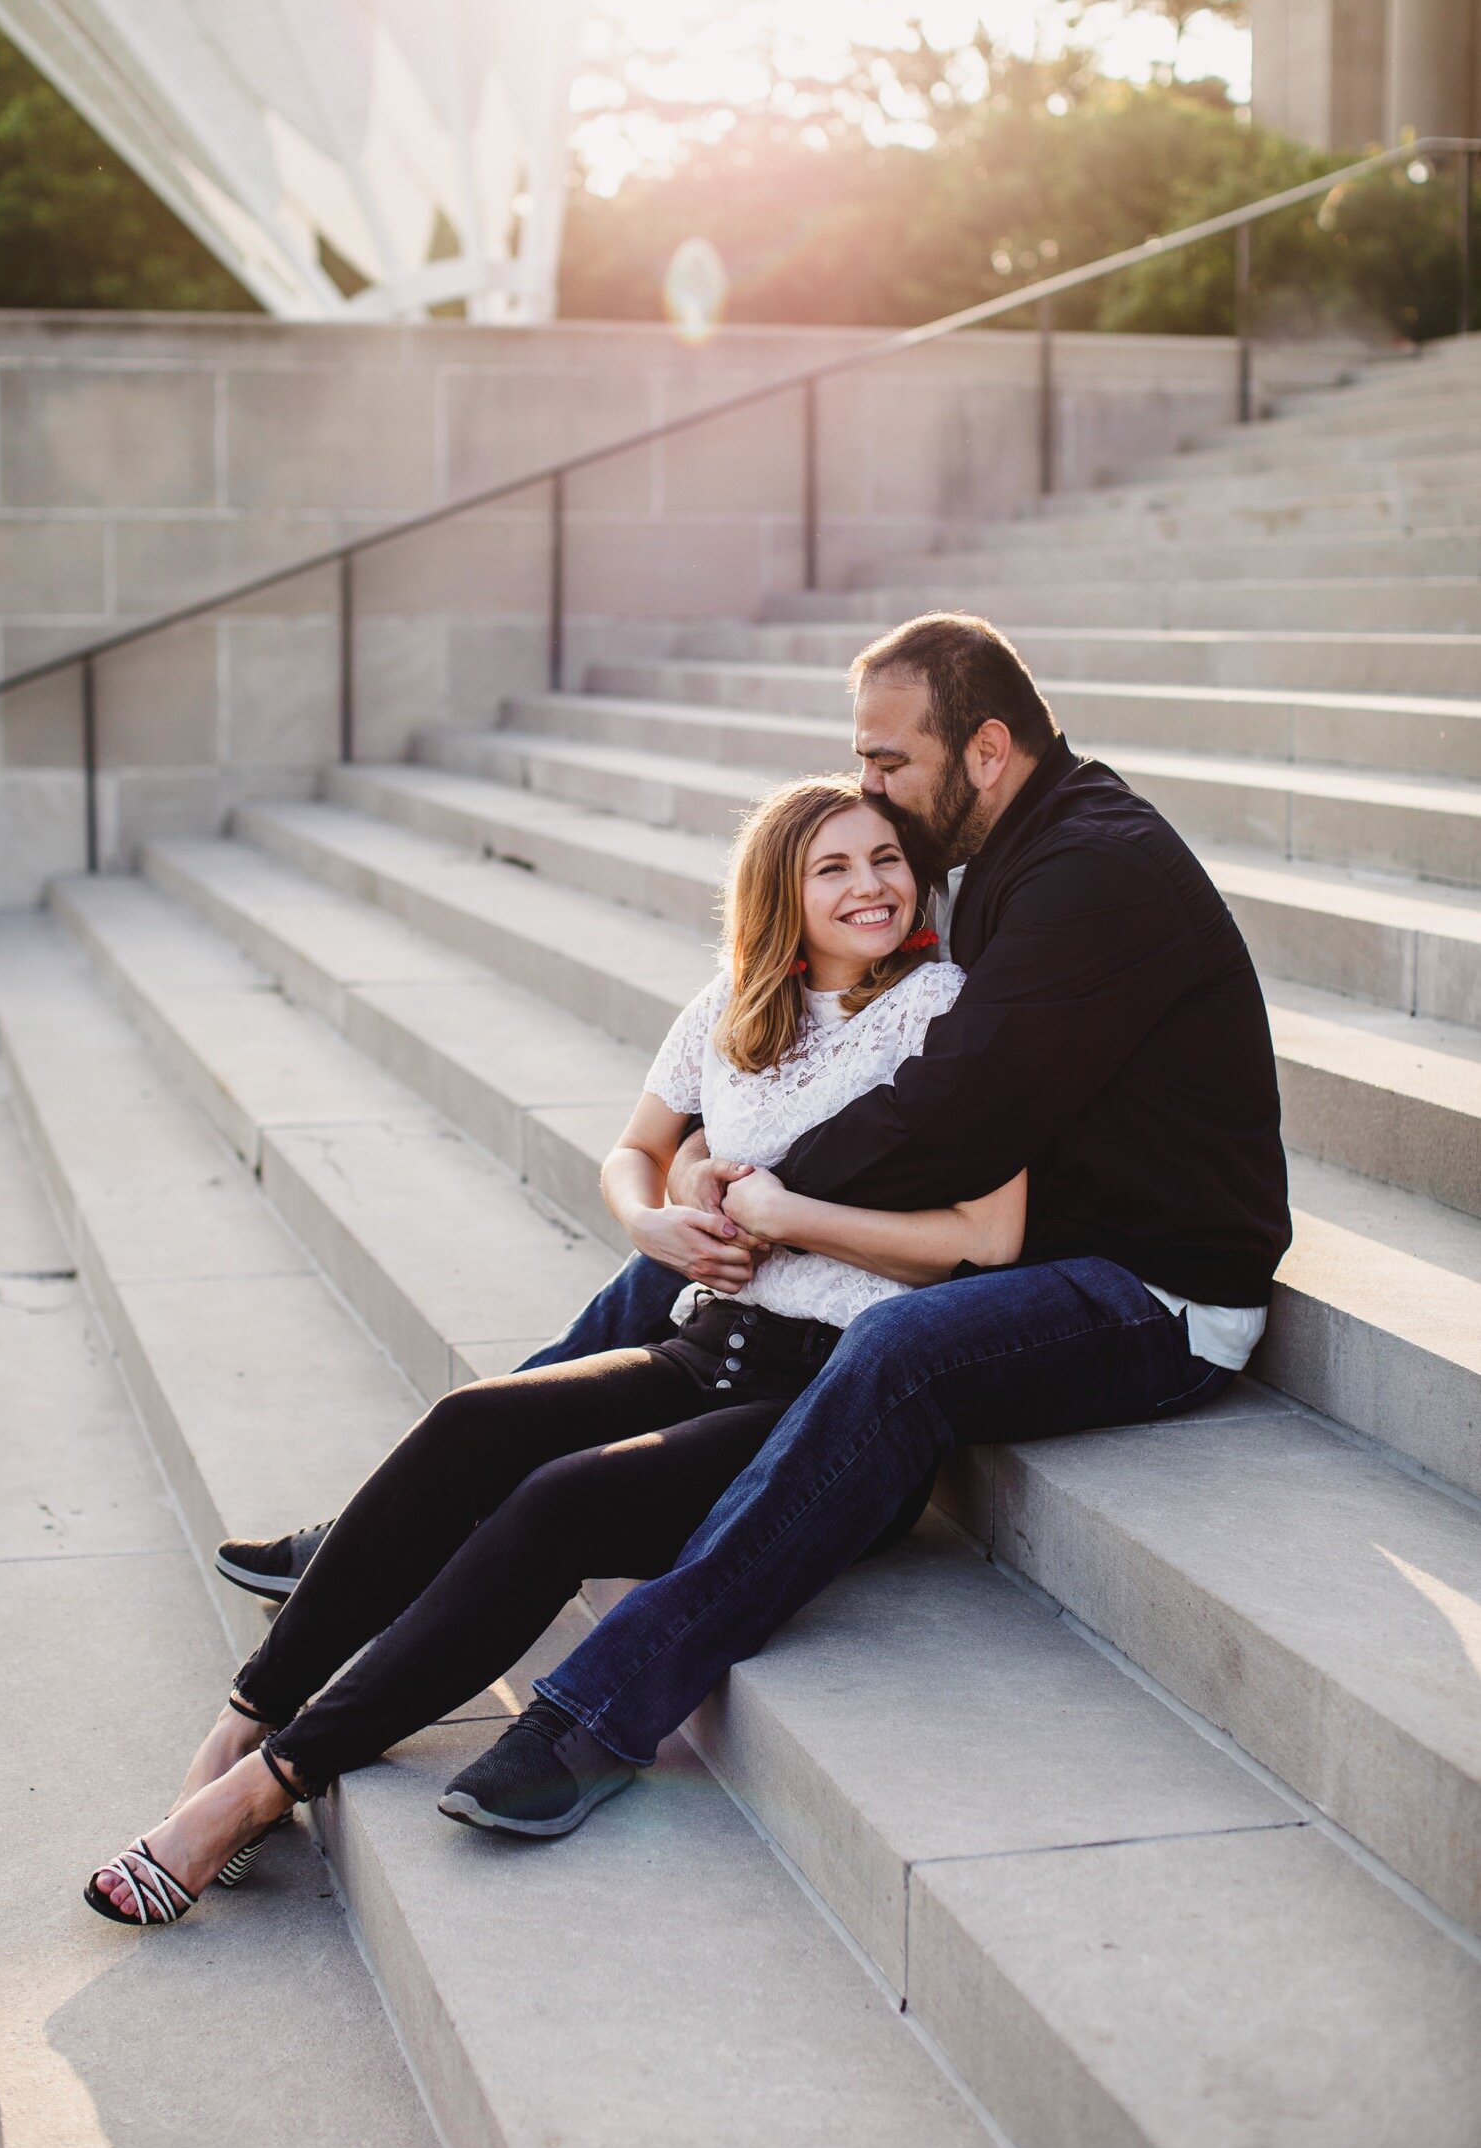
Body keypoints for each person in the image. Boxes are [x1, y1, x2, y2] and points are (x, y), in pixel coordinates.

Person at [209, 609, 1291, 1848]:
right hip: (1044, 1230)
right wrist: (706, 1218)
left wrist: (746, 1188)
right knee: (670, 1275)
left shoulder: (1094, 870)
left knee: (893, 1349)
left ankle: (596, 1715)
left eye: (890, 764)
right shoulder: (1010, 857)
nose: (871, 785)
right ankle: (410, 1523)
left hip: (1150, 1292)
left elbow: (953, 1116)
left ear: (987, 751)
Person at [84, 775, 1027, 1924]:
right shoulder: (738, 1002)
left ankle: (261, 1788)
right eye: (833, 867)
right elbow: (636, 1149)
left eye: (887, 858)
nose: (872, 885)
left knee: (558, 1503)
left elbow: (986, 1241)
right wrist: (655, 1219)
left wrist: (791, 1221)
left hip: (831, 1397)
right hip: (706, 1346)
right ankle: (244, 1717)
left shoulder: (947, 1009)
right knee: (474, 1423)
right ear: (780, 891)